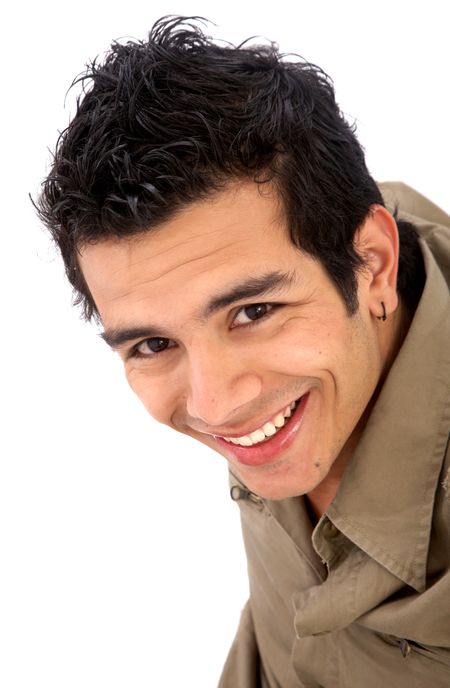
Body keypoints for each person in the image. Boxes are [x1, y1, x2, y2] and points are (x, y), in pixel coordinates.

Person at [37, 15, 450, 687]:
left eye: (252, 312)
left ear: (374, 265)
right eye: (153, 343)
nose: (216, 403)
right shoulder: (328, 293)